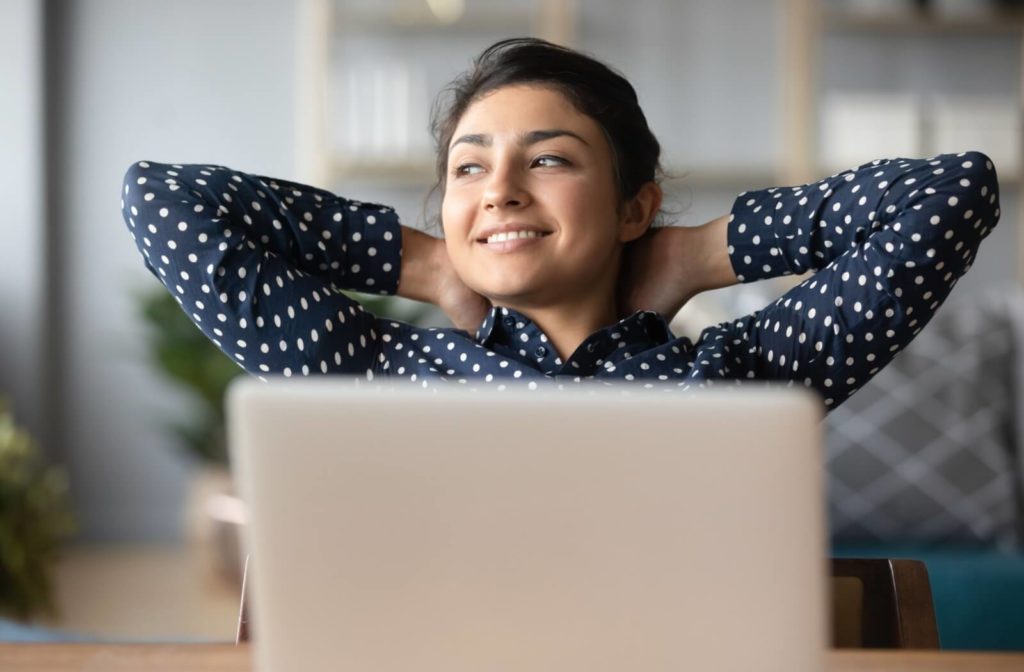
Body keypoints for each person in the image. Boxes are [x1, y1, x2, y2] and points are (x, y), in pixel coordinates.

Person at [121, 38, 1001, 410]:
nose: (498, 189)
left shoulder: (743, 375)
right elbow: (161, 199)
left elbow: (952, 191)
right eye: (468, 167)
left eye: (547, 158)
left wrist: (695, 255)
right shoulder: (373, 368)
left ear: (633, 208)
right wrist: (424, 266)